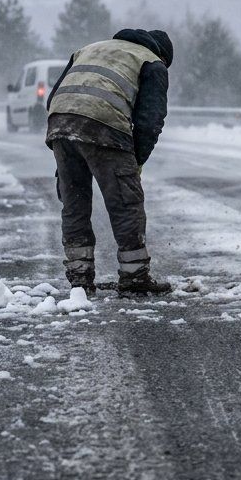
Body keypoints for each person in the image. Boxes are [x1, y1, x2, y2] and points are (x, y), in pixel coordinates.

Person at [46, 28, 173, 295]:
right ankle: (134, 277)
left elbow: (54, 95)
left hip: (60, 122)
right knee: (125, 202)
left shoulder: (90, 48)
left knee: (75, 201)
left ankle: (80, 278)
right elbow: (150, 121)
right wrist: (135, 162)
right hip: (103, 124)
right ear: (163, 54)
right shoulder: (152, 63)